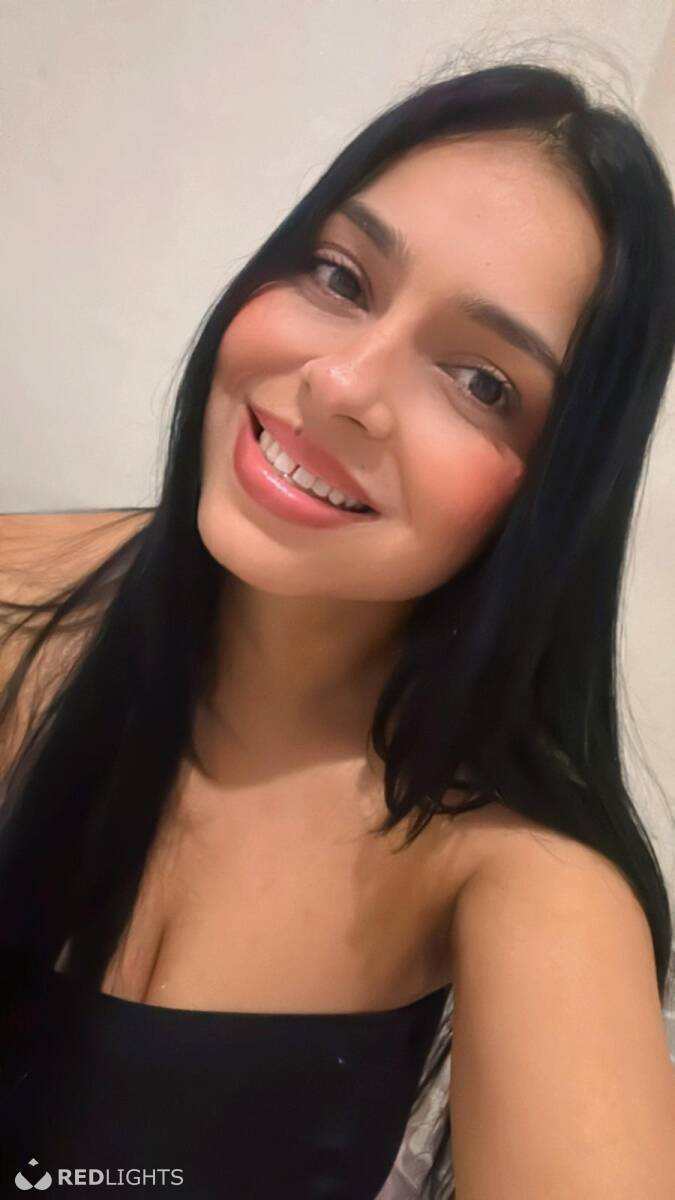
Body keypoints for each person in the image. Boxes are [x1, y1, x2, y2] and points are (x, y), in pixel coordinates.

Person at [1, 60, 674, 1200]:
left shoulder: (525, 876)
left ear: (555, 497)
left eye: (479, 381)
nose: (344, 382)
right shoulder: (23, 596)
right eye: (340, 275)